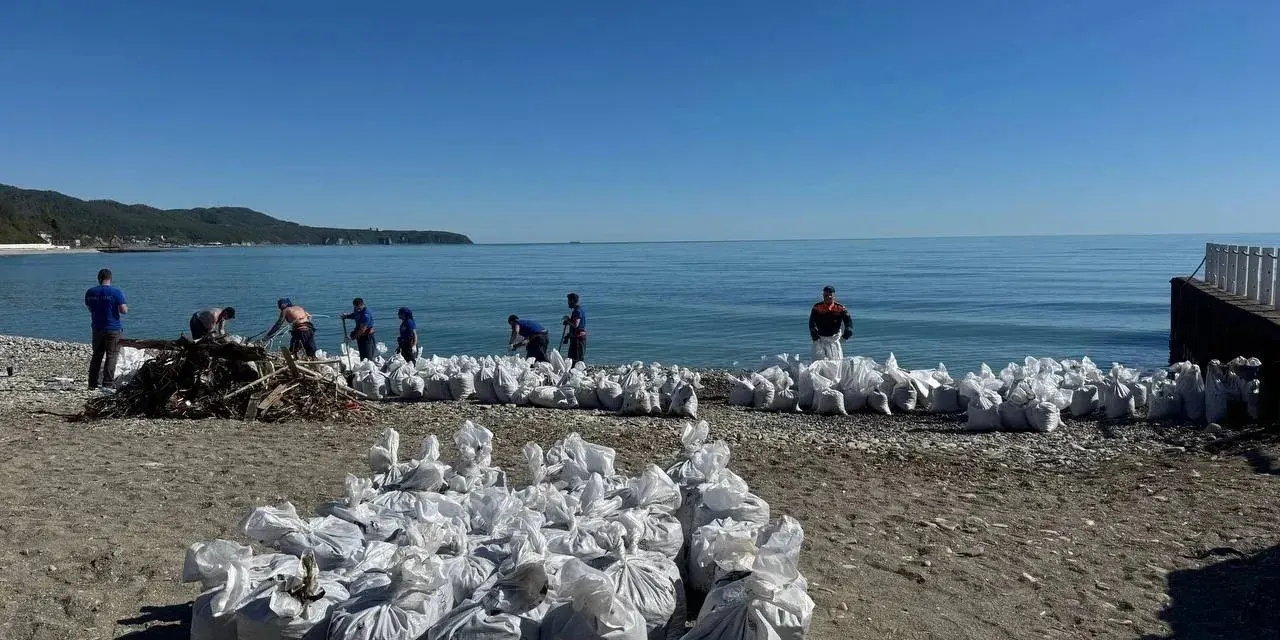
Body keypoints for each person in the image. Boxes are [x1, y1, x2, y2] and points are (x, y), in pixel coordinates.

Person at [84, 268, 128, 389]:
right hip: (113, 328)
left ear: (99, 279)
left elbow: (89, 308)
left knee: (97, 355)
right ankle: (107, 383)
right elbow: (124, 310)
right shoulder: (116, 292)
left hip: (97, 328)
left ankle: (92, 383)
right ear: (110, 279)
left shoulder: (90, 292)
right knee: (112, 355)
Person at [809, 285, 853, 360]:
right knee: (818, 361)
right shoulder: (817, 307)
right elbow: (811, 323)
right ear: (823, 295)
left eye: (830, 294)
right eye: (826, 295)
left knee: (836, 362)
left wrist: (846, 334)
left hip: (834, 339)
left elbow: (848, 322)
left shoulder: (840, 308)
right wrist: (814, 335)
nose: (828, 296)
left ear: (834, 295)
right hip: (820, 339)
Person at [562, 292, 587, 364]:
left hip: (578, 339)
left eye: (568, 301)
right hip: (575, 338)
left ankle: (577, 373)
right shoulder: (577, 310)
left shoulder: (577, 311)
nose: (568, 303)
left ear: (572, 301)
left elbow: (576, 325)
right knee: (572, 358)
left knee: (576, 359)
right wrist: (568, 335)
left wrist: (567, 320)